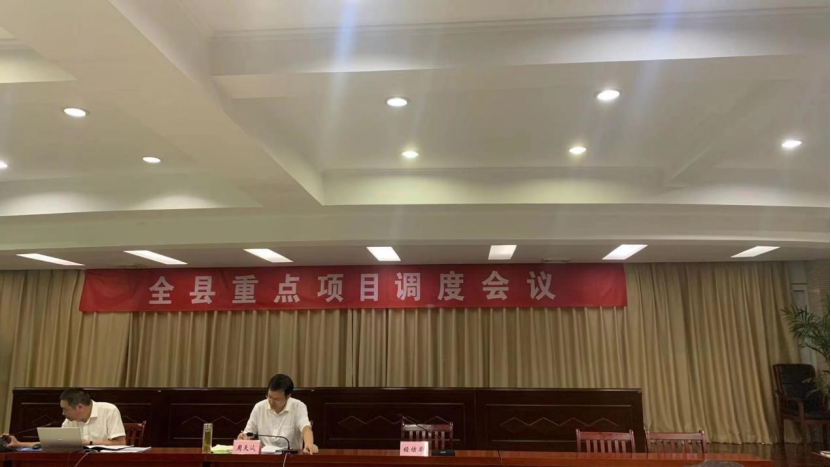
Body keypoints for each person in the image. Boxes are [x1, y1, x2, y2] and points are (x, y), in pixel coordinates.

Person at [1, 388, 127, 449]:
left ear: (79, 407)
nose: (63, 413)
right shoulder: (70, 420)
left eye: (65, 409)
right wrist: (19, 444)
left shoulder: (109, 410)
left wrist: (88, 443)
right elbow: (55, 444)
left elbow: (121, 443)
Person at [238, 374, 318, 454]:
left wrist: (309, 444)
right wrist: (243, 438)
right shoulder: (259, 407)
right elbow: (248, 433)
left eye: (277, 399)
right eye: (269, 397)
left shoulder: (298, 407)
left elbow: (305, 428)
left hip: (290, 457)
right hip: (264, 457)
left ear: (288, 396)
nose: (271, 402)